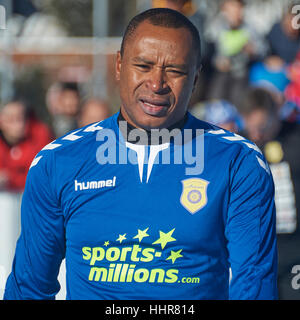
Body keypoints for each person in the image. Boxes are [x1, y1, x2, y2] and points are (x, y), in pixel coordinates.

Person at [4, 8, 277, 300]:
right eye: (143, 66)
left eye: (174, 70)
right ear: (119, 65)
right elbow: (28, 288)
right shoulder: (57, 163)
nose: (157, 84)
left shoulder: (238, 162)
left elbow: (254, 284)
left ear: (196, 78)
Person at [241, 87, 300, 299]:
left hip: (294, 252)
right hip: (257, 255)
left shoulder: (295, 138)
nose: (257, 135)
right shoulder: (240, 146)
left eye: (262, 127)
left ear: (276, 114)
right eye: (251, 128)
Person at [0, 99, 52, 192]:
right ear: (2, 121)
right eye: (11, 119)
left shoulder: (38, 137)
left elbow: (40, 175)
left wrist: (10, 178)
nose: (19, 124)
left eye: (22, 118)